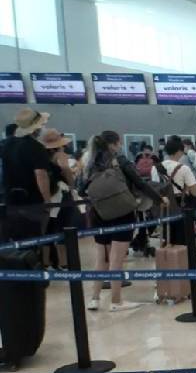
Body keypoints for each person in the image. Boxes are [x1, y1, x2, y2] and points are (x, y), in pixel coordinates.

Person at [83, 130, 163, 311]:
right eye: (118, 143)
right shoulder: (120, 161)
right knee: (116, 259)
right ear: (114, 144)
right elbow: (140, 183)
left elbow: (82, 189)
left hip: (99, 214)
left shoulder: (91, 164)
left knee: (101, 258)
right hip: (121, 213)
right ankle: (116, 301)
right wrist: (158, 198)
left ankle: (94, 299)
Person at [0, 108, 52, 242]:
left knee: (15, 242)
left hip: (10, 201)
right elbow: (41, 175)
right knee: (33, 241)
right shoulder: (36, 147)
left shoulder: (6, 144)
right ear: (36, 128)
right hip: (32, 202)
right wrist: (47, 201)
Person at [40, 129, 79, 268]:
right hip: (62, 195)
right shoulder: (60, 154)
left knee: (48, 229)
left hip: (48, 194)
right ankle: (63, 262)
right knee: (64, 228)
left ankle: (46, 262)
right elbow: (65, 169)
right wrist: (72, 183)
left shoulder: (41, 156)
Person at [152, 135, 196, 246]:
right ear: (179, 151)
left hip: (162, 206)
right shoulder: (183, 168)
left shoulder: (155, 168)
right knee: (181, 240)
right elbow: (195, 192)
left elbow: (155, 187)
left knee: (167, 238)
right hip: (179, 205)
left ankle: (169, 261)